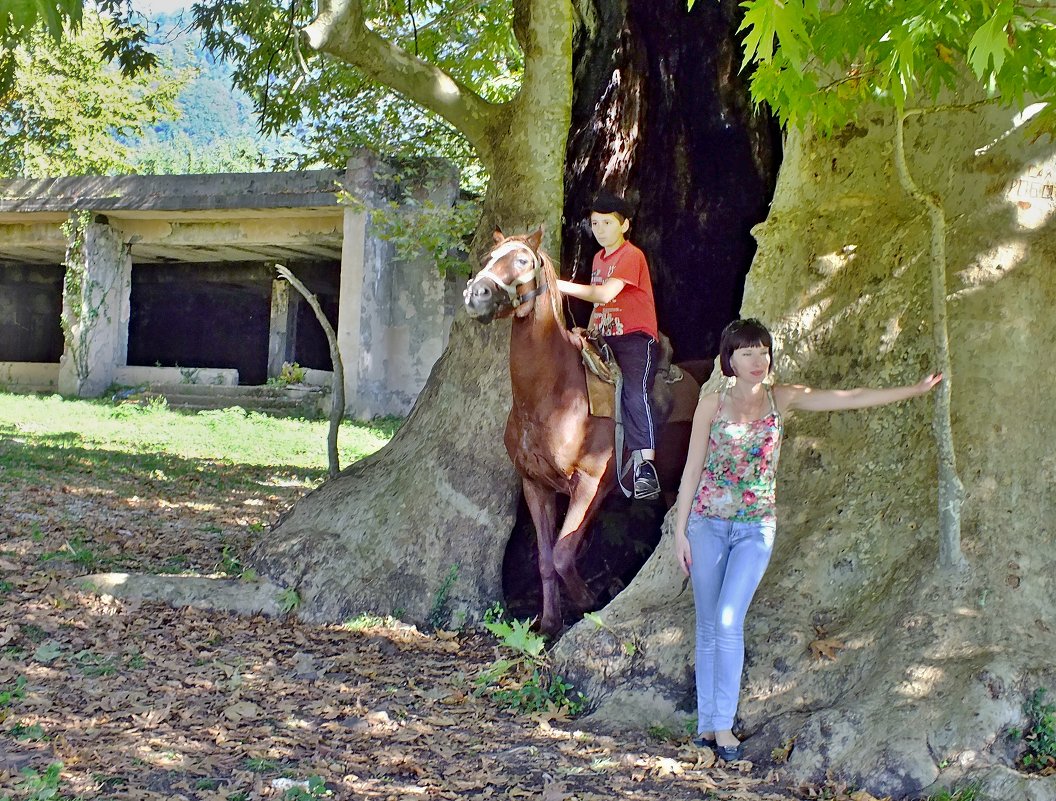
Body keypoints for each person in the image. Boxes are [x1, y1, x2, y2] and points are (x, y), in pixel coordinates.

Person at [673, 318, 942, 761]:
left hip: (755, 527)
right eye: (747, 353)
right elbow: (690, 472)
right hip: (706, 524)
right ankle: (707, 726)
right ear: (730, 360)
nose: (758, 360)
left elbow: (847, 399)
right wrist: (680, 532)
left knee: (726, 620)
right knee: (706, 626)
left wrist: (911, 390)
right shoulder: (712, 405)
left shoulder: (782, 399)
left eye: (763, 351)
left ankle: (723, 727)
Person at [556, 191, 661, 500]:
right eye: (595, 224)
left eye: (607, 223)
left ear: (624, 225)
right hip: (605, 338)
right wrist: (587, 331)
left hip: (633, 339)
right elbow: (600, 308)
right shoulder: (599, 259)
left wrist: (555, 283)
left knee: (633, 391)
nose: (600, 230)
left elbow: (603, 295)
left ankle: (645, 467)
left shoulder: (632, 256)